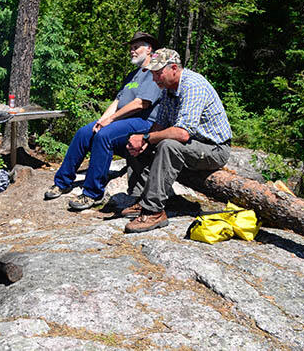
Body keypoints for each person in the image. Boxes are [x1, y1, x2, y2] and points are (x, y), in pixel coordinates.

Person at [44, 31, 163, 213]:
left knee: (104, 135)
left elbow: (141, 103)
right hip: (123, 121)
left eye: (136, 47)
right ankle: (62, 182)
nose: (132, 51)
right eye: (131, 48)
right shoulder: (132, 75)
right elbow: (117, 101)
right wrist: (101, 120)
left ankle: (92, 193)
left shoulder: (153, 72)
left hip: (143, 122)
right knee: (86, 132)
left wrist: (111, 120)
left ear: (149, 49)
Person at [123, 48, 232, 233]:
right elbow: (159, 125)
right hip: (190, 146)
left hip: (214, 149)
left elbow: (182, 134)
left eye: (158, 73)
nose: (154, 78)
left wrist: (148, 138)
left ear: (174, 68)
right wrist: (143, 141)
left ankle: (154, 211)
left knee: (168, 145)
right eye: (152, 73)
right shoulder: (167, 89)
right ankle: (141, 199)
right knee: (138, 142)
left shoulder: (193, 85)